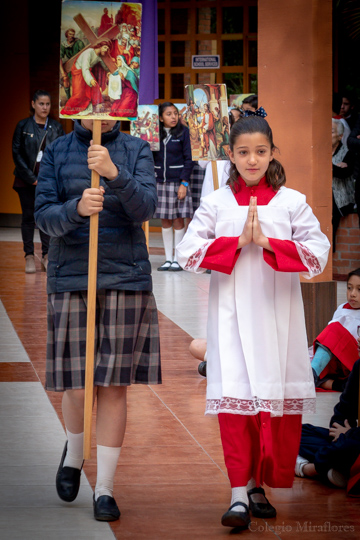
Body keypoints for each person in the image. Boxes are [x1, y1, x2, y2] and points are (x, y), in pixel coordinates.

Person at [176, 116, 330, 529]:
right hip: (230, 322)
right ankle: (237, 494)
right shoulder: (217, 203)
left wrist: (268, 243)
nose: (252, 159)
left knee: (271, 408)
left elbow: (318, 253)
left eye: (261, 151)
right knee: (236, 405)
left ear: (271, 153)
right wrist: (237, 242)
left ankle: (259, 484)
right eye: (243, 152)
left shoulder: (291, 202)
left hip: (278, 319)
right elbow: (189, 251)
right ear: (230, 154)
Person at [34, 118, 161, 522]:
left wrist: (114, 174)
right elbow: (43, 216)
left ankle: (104, 488)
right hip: (72, 277)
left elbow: (146, 208)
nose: (99, 114)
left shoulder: (137, 149)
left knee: (112, 386)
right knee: (76, 384)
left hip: (125, 276)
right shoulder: (56, 150)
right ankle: (74, 452)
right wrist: (75, 209)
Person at [12, 90, 64, 273]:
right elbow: (16, 154)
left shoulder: (56, 128)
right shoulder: (23, 126)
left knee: (46, 217)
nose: (45, 107)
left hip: (48, 182)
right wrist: (32, 179)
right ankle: (28, 256)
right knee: (28, 217)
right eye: (41, 104)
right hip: (26, 181)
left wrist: (48, 180)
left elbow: (61, 155)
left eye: (48, 104)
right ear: (33, 104)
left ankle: (47, 255)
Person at [295, 358, 360, 496]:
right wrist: (342, 436)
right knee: (295, 433)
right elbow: (341, 415)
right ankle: (338, 467)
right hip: (349, 438)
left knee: (349, 446)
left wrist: (348, 435)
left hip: (354, 440)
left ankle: (309, 469)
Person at [153, 102, 194, 271]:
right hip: (159, 182)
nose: (173, 117)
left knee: (178, 220)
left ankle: (178, 258)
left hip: (178, 182)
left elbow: (189, 159)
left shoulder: (184, 133)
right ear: (161, 118)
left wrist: (184, 183)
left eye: (175, 113)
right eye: (169, 114)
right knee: (165, 221)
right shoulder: (153, 134)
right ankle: (168, 259)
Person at [311, 268, 360, 392]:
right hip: (340, 363)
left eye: (359, 289)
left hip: (355, 362)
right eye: (349, 288)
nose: (353, 294)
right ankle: (340, 385)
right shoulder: (342, 308)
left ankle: (311, 375)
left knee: (334, 328)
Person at [60, 41, 111, 116]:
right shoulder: (89, 52)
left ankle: (96, 105)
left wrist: (110, 68)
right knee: (78, 94)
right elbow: (85, 68)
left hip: (87, 72)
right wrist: (90, 79)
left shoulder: (99, 57)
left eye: (108, 48)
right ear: (99, 46)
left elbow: (106, 67)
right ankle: (68, 109)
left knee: (95, 88)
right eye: (105, 47)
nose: (106, 50)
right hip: (79, 73)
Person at [331, 119, 355, 250]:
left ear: (340, 136)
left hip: (342, 201)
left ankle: (329, 250)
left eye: (332, 131)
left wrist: (330, 168)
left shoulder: (348, 153)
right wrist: (335, 167)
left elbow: (343, 174)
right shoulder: (320, 153)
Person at [60, 29, 85, 100]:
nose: (71, 36)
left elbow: (84, 54)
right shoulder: (63, 44)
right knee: (65, 79)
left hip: (78, 64)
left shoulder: (79, 43)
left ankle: (79, 98)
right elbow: (60, 58)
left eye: (73, 34)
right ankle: (68, 98)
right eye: (70, 34)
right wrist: (62, 72)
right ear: (67, 35)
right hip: (69, 64)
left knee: (78, 82)